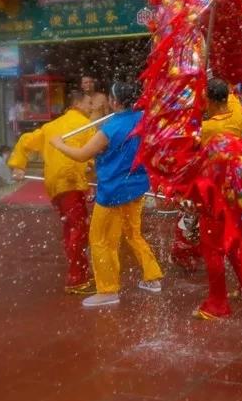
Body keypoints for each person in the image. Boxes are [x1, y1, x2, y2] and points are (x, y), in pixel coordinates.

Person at [51, 81, 164, 307]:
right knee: (133, 233)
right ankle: (153, 278)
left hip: (113, 191)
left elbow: (82, 155)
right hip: (137, 187)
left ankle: (108, 290)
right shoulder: (143, 118)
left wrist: (58, 144)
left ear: (113, 102)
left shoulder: (109, 129)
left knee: (101, 240)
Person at [8, 90, 95, 294]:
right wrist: (90, 167)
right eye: (90, 103)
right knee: (78, 231)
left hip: (55, 185)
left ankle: (77, 273)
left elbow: (25, 141)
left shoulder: (51, 126)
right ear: (78, 103)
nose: (93, 107)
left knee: (71, 229)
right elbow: (90, 154)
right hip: (70, 182)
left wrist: (19, 165)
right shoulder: (86, 125)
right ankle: (77, 279)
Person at [194, 77, 242, 319]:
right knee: (232, 241)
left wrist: (195, 113)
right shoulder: (237, 111)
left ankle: (217, 303)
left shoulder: (208, 130)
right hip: (236, 188)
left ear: (210, 99)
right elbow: (230, 91)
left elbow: (189, 141)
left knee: (212, 249)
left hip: (214, 192)